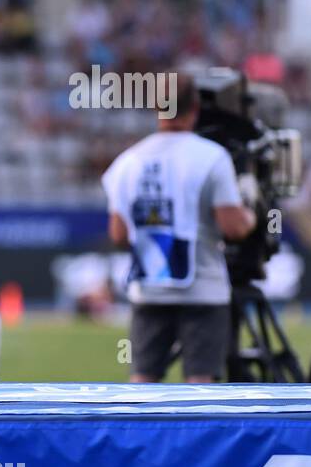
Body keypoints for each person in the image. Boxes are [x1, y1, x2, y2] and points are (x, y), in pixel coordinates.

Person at [101, 73, 256, 382]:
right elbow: (234, 228)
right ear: (195, 109)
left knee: (142, 385)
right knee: (199, 387)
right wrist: (251, 207)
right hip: (202, 291)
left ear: (157, 108)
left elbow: (118, 235)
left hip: (149, 291)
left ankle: (140, 434)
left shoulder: (127, 162)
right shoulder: (212, 158)